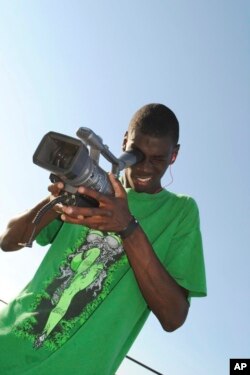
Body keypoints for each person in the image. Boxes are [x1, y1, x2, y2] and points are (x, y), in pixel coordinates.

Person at [0, 103, 207, 375]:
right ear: (124, 141)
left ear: (174, 155)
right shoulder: (94, 187)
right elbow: (8, 240)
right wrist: (59, 196)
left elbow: (174, 316)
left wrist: (128, 228)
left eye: (158, 159)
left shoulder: (181, 211)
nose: (145, 167)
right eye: (136, 154)